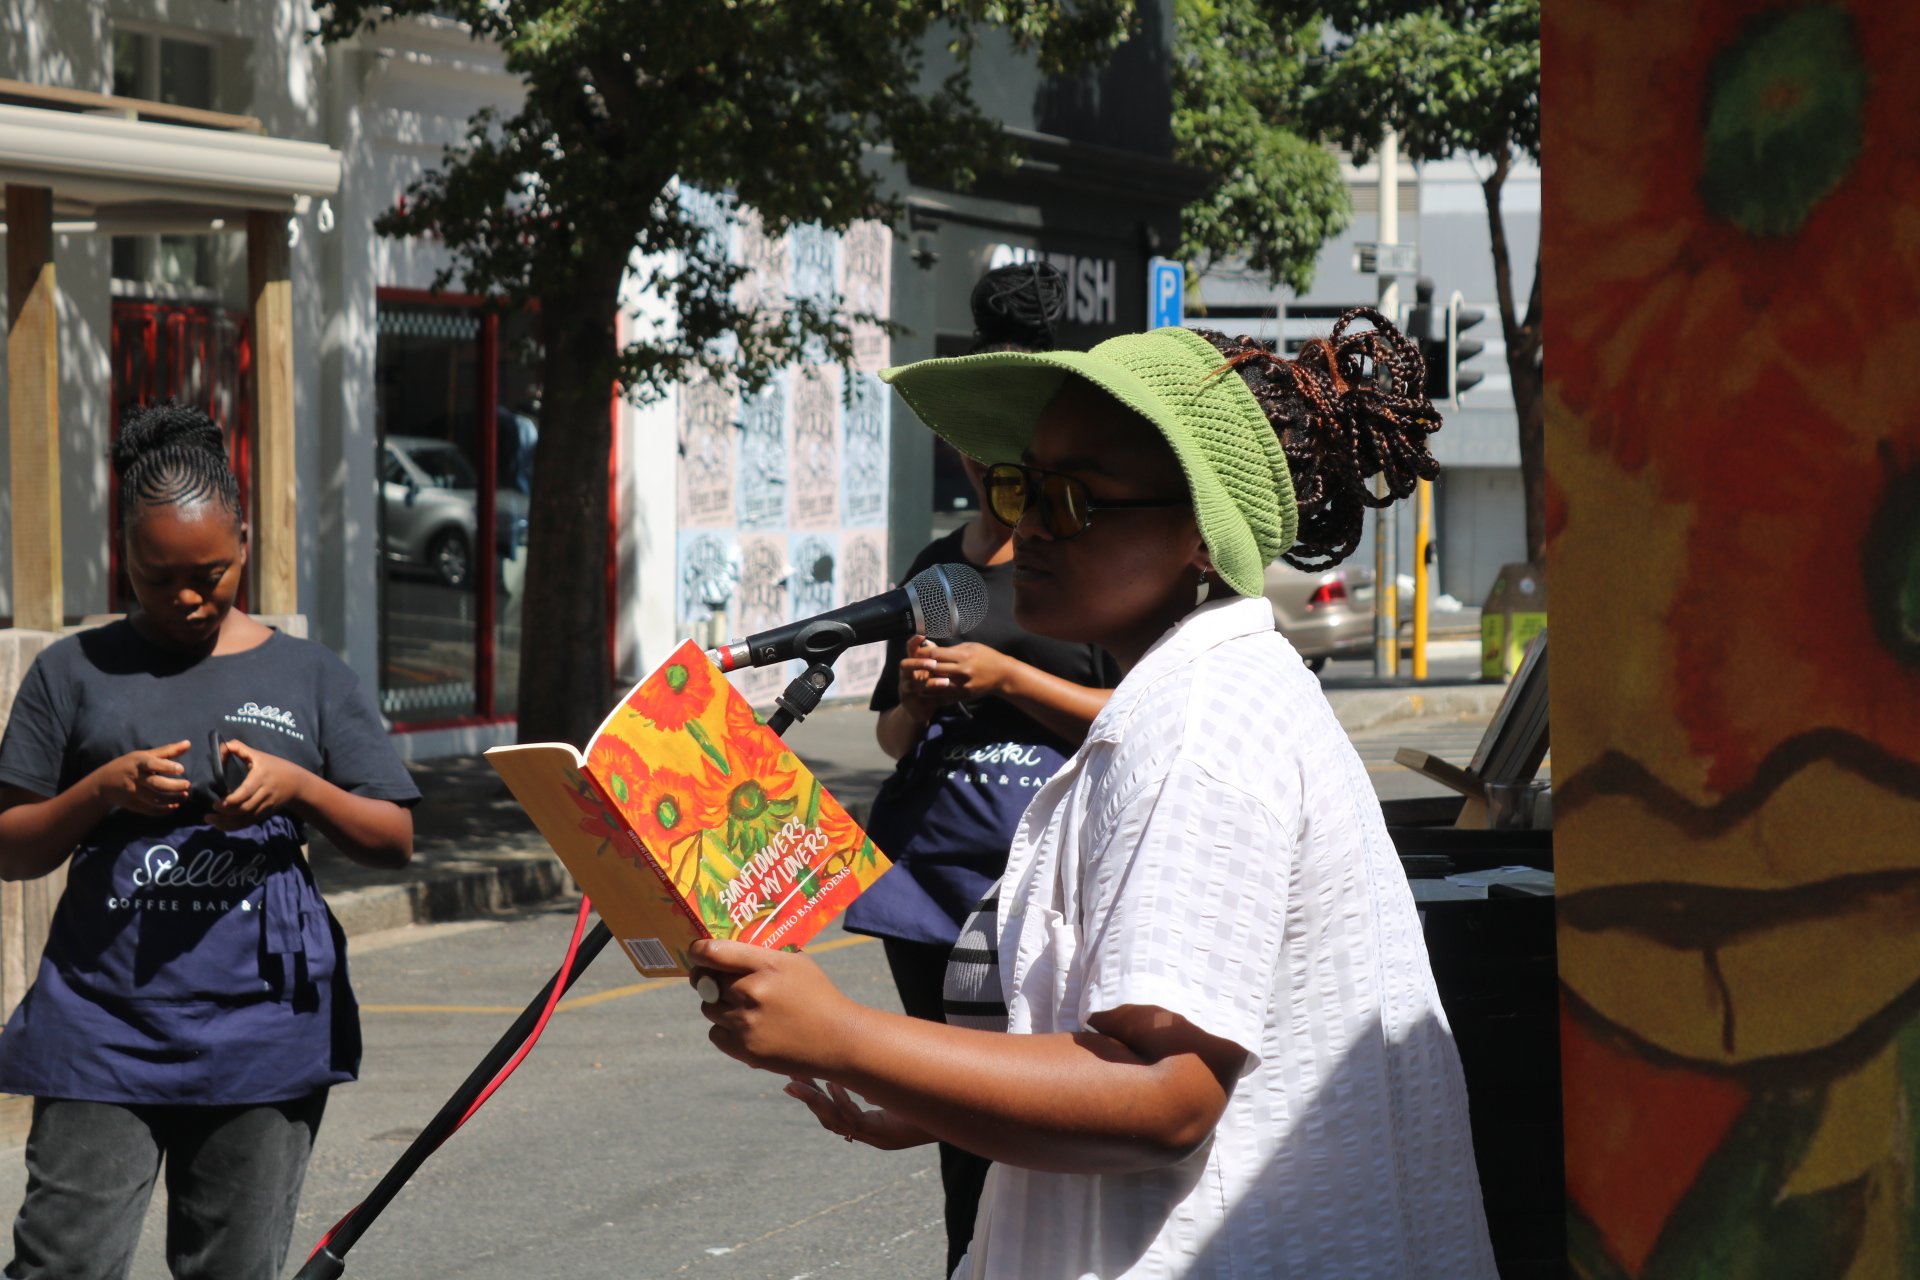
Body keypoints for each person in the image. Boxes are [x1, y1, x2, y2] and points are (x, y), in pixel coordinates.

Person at [690, 313, 1498, 1278]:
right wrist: (926, 1096)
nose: (1027, 524)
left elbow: (1165, 1095)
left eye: (1075, 500)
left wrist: (851, 1037)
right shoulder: (1191, 697)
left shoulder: (1197, 729)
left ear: (1200, 534)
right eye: (1022, 485)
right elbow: (1128, 1046)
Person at [0, 403, 420, 1280]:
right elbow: (13, 847)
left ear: (245, 540)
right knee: (60, 1264)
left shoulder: (308, 675)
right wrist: (102, 790)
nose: (191, 598)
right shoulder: (71, 672)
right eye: (161, 579)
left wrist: (298, 788)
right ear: (126, 558)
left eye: (214, 572)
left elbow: (393, 839)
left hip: (263, 1033)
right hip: (99, 1027)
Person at [843, 263, 1118, 1275]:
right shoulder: (933, 569)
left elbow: (1137, 716)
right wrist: (921, 697)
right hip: (930, 876)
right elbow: (885, 738)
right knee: (962, 1121)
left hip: (1036, 877)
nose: (984, 463)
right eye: (973, 443)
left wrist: (1005, 673)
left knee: (1037, 1112)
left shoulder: (1089, 572)